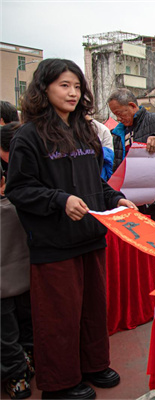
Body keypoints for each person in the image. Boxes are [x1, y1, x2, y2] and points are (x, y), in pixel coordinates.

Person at [5, 58, 138, 399]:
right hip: (53, 243)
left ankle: (93, 365)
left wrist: (117, 199)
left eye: (77, 86)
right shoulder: (28, 136)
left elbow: (94, 182)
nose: (73, 93)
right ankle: (60, 383)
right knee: (59, 317)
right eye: (64, 85)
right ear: (44, 88)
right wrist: (59, 200)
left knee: (93, 310)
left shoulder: (85, 130)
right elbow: (19, 189)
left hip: (91, 235)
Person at [108, 88, 155, 284]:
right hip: (131, 200)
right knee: (141, 252)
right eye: (115, 115)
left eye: (120, 113)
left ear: (132, 106)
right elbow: (118, 165)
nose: (118, 118)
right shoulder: (118, 133)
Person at [1, 122, 34, 400]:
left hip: (23, 267)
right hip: (10, 271)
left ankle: (24, 365)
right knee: (7, 325)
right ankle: (17, 372)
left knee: (24, 318)